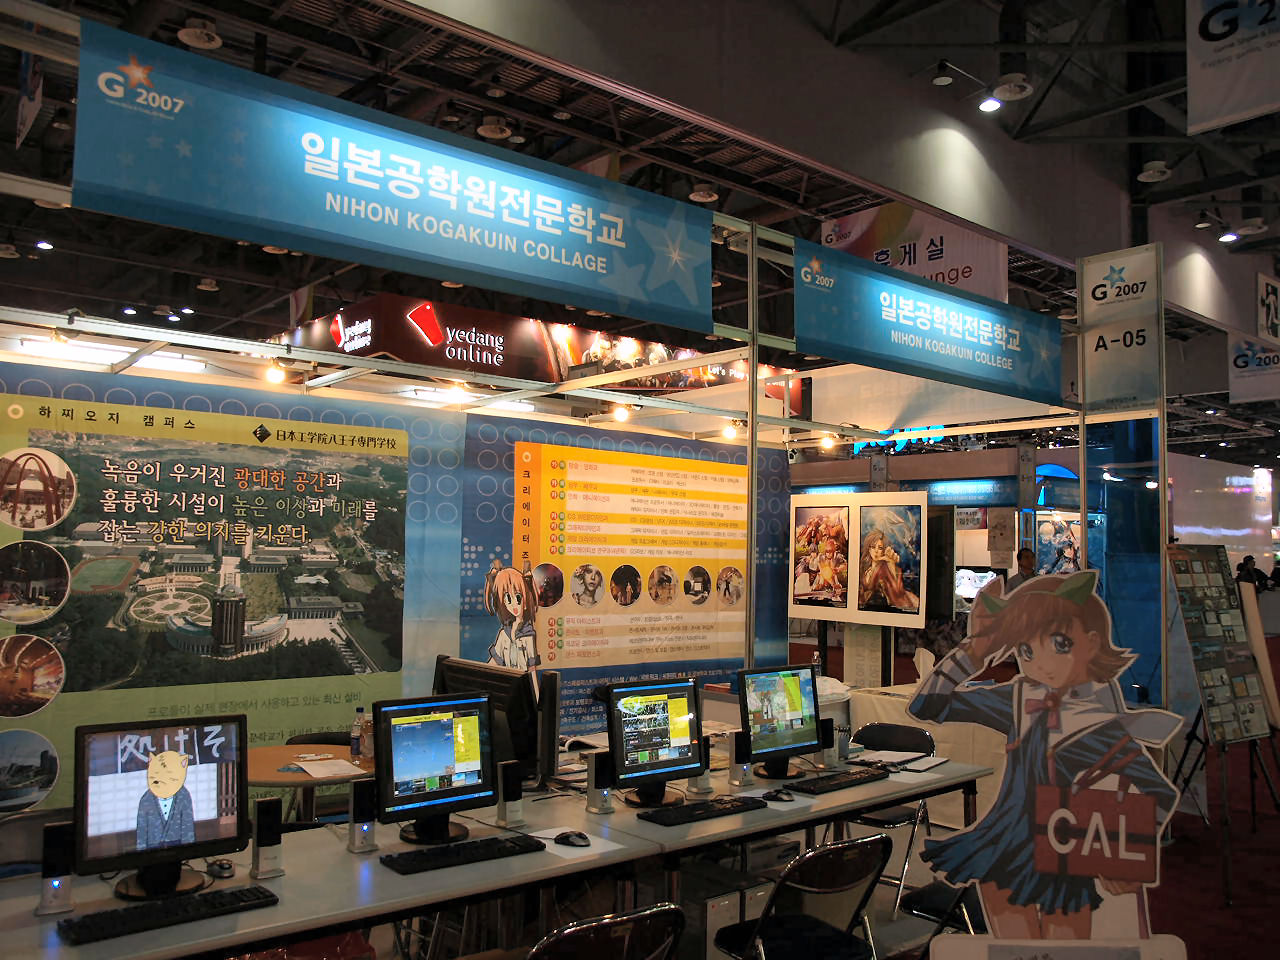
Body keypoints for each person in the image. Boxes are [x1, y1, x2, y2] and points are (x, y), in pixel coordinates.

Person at [908, 572, 1179, 939]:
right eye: (1026, 650)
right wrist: (976, 650)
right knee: (1013, 949)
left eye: (1060, 644)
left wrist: (1125, 854)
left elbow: (1159, 793)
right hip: (1007, 849)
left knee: (1065, 947)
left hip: (1065, 857)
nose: (1042, 664)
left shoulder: (1096, 721)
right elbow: (929, 704)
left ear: (1092, 642)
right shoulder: (1019, 699)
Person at [485, 560, 540, 673]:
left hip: (522, 682)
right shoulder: (503, 634)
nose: (514, 605)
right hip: (506, 681)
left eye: (518, 597)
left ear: (525, 601)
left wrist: (534, 686)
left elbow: (532, 669)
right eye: (508, 599)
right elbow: (494, 663)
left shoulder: (528, 636)